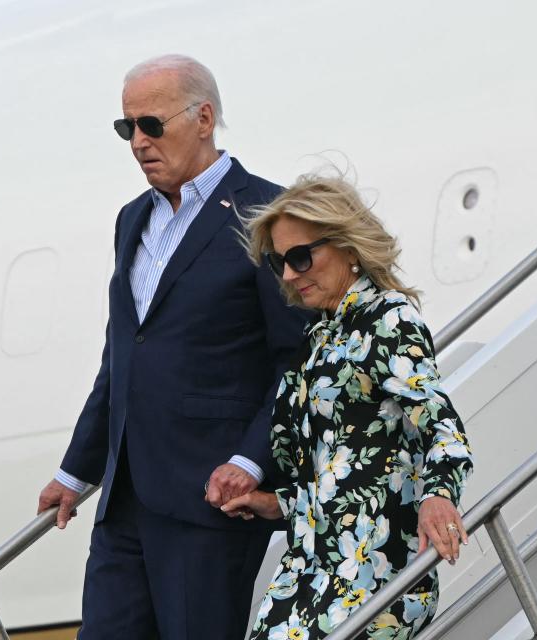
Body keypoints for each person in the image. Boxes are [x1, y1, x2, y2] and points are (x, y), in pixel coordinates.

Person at [35, 54, 310, 639]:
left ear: (204, 117)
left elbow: (297, 360)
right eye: (126, 127)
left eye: (151, 125)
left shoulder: (270, 213)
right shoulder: (131, 219)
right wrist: (76, 472)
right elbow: (123, 357)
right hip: (125, 499)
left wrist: (249, 461)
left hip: (210, 500)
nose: (137, 142)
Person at [224, 174, 474, 639]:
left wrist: (439, 497)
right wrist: (277, 503)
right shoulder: (318, 339)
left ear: (349, 247)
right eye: (279, 262)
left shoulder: (388, 319)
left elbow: (443, 429)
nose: (290, 275)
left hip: (374, 573)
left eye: (301, 257)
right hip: (309, 572)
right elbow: (347, 471)